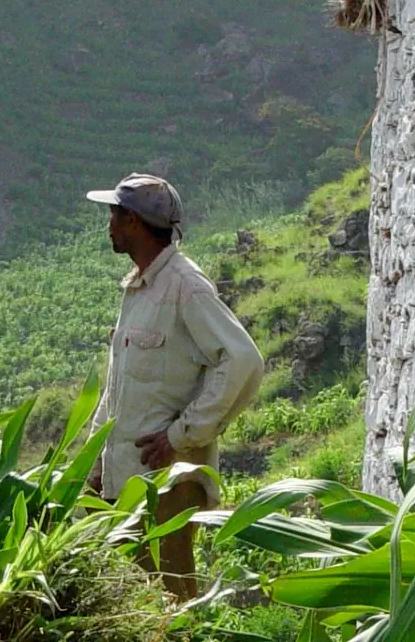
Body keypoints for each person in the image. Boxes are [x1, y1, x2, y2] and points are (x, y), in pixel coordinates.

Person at [85, 173, 264, 599]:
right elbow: (120, 391)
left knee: (169, 599)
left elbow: (243, 361)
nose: (107, 224)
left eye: (113, 214)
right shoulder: (141, 288)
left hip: (166, 480)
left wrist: (181, 435)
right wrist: (92, 466)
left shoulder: (185, 286)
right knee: (130, 599)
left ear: (132, 221)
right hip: (126, 479)